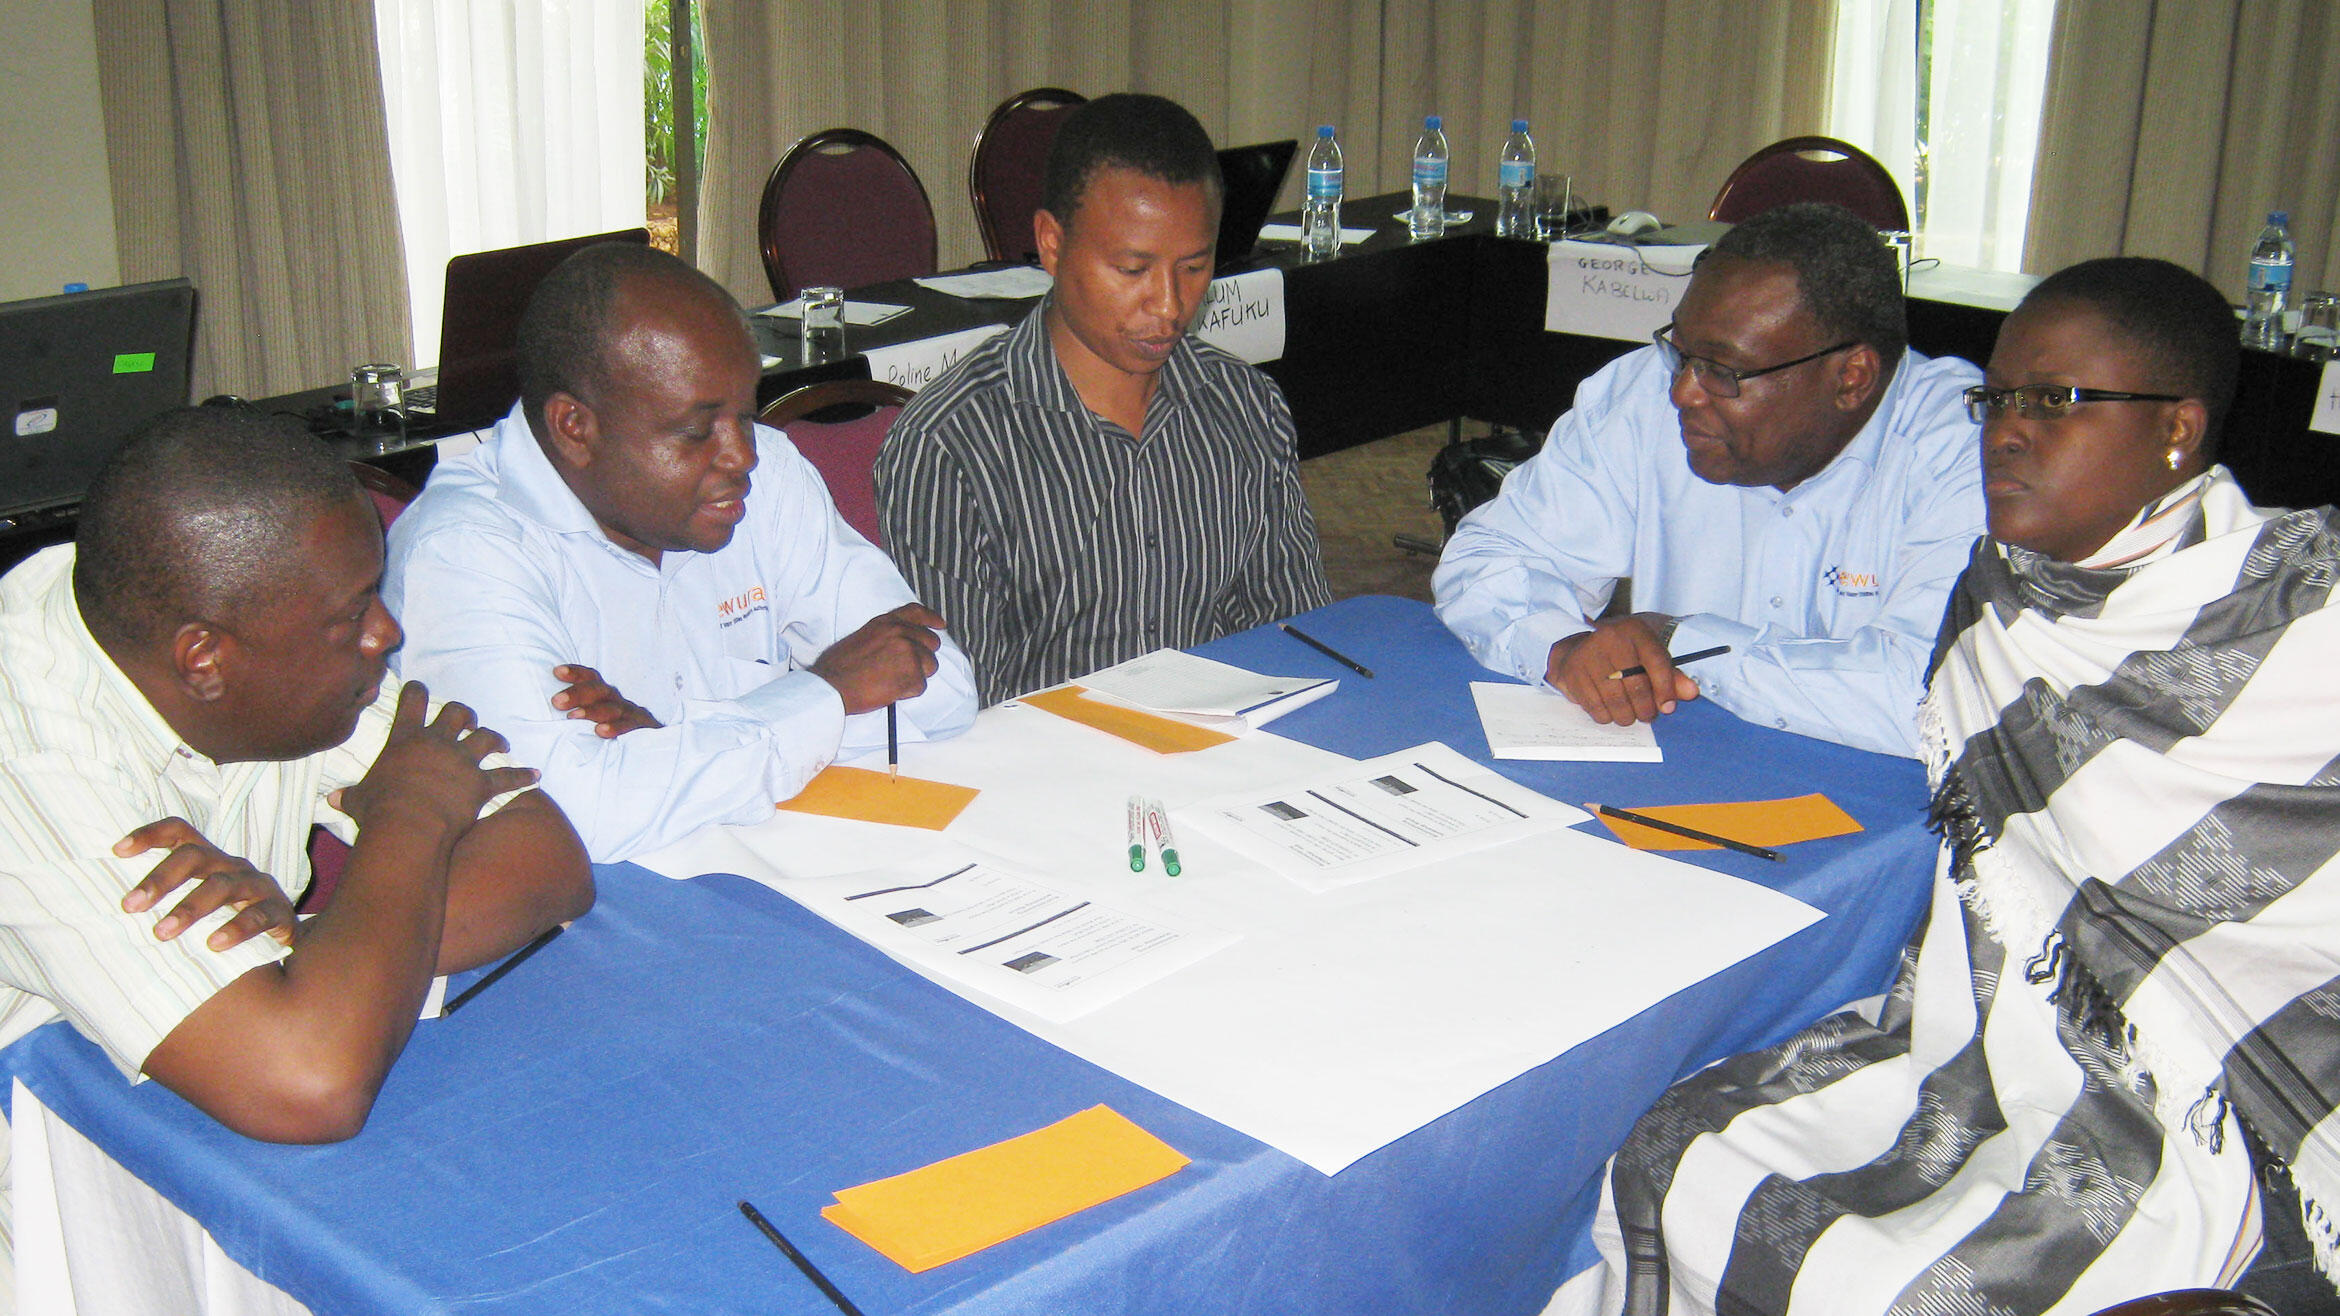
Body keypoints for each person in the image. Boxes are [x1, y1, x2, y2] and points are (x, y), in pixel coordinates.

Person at [1559, 257, 2340, 1314]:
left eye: (2056, 402)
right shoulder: (2002, 593)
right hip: (1990, 1034)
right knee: (1678, 1146)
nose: (2007, 431)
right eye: (1999, 399)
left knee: (1914, 1288)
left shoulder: (2303, 615)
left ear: (2178, 427)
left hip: (2215, 1102)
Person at [0, 407, 591, 1160]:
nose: (386, 634)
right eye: (352, 615)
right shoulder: (30, 761)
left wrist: (303, 954)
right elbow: (312, 1085)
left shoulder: (260, 640)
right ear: (204, 661)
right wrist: (409, 814)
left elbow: (546, 856)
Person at [385, 244, 977, 863]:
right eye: (696, 432)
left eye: (745, 417)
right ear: (574, 428)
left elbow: (941, 691)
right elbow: (565, 822)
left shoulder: (766, 476)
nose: (742, 455)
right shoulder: (464, 555)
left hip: (786, 865)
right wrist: (824, 695)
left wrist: (671, 740)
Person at [1433, 202, 1982, 757]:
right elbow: (1489, 554)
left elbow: (1938, 696)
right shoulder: (1642, 395)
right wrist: (1563, 647)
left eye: (1723, 371)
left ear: (1852, 377)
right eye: (1681, 352)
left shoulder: (1974, 451)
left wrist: (1677, 639)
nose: (1683, 393)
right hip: (1683, 767)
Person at [876, 92, 1332, 706]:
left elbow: (1294, 637)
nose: (1169, 305)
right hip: (1046, 781)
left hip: (1225, 763)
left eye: (1194, 268)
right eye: (1132, 269)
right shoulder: (951, 446)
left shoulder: (1246, 407)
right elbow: (959, 708)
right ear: (1052, 243)